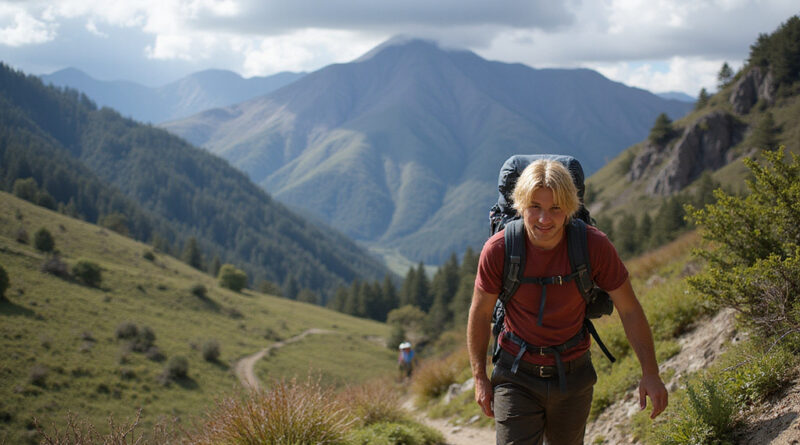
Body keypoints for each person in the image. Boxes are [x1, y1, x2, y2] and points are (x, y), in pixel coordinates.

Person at [467, 159, 667, 444]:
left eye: (555, 208)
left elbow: (630, 309)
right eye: (535, 206)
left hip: (574, 377)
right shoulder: (499, 249)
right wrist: (480, 378)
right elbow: (480, 312)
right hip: (515, 375)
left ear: (570, 208)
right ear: (520, 204)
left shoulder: (593, 246)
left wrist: (651, 373)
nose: (544, 219)